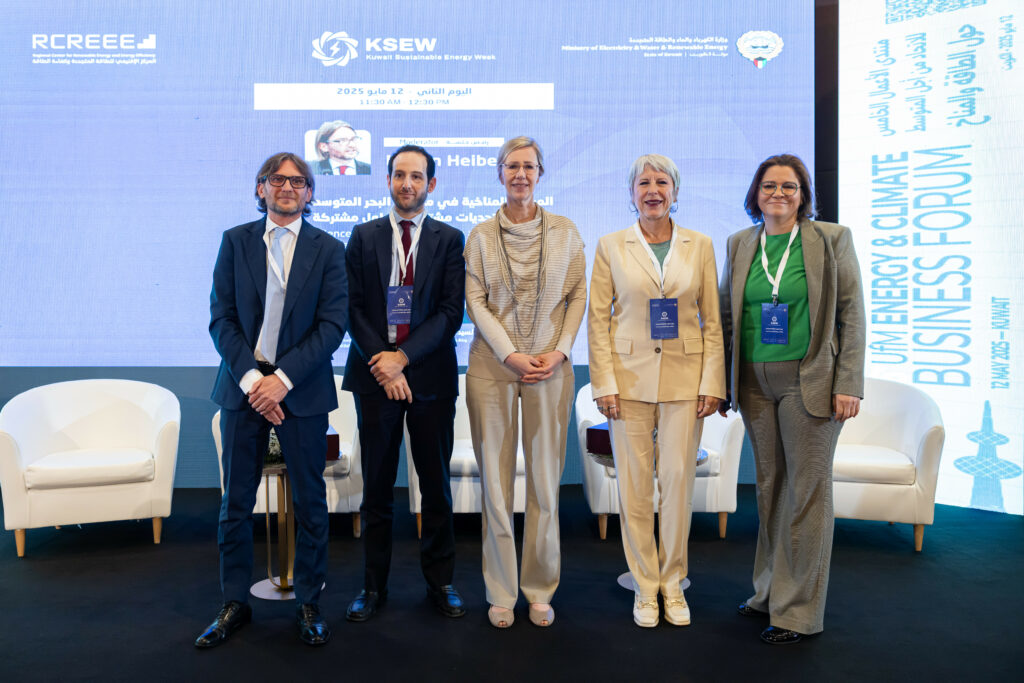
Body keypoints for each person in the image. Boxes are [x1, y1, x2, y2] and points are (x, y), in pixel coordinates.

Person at [199, 152, 348, 648]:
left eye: (298, 181)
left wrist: (281, 379)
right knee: (235, 503)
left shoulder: (329, 249)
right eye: (277, 179)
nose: (287, 187)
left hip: (300, 391)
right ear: (260, 187)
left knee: (310, 503)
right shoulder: (235, 242)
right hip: (243, 391)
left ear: (310, 193)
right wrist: (253, 382)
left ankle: (309, 602)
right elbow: (222, 320)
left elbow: (332, 326)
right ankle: (234, 602)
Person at [719, 153, 865, 645]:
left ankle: (797, 612)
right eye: (768, 186)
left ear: (804, 194)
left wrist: (848, 382)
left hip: (811, 381)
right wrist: (723, 382)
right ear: (754, 194)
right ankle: (767, 592)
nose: (778, 194)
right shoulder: (741, 244)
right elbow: (726, 317)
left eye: (789, 186)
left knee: (807, 493)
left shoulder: (831, 239)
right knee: (769, 488)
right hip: (755, 385)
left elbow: (853, 316)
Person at [587, 153, 725, 628]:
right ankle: (645, 586)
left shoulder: (700, 244)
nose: (653, 190)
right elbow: (598, 322)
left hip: (687, 384)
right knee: (635, 489)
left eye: (661, 182)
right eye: (643, 182)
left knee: (678, 484)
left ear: (675, 191)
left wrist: (713, 383)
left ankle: (673, 582)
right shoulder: (610, 245)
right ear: (631, 194)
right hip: (627, 384)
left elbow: (712, 321)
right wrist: (603, 383)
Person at [464, 136, 586, 629]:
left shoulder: (565, 232)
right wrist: (511, 354)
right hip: (492, 368)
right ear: (499, 173)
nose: (520, 174)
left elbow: (577, 295)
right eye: (511, 166)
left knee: (543, 482)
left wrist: (557, 352)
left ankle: (539, 587)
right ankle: (500, 588)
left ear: (541, 173)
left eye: (529, 166)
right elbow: (476, 301)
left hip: (550, 369)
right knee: (495, 484)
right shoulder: (478, 235)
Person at [343, 144, 466, 621]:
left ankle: (442, 583)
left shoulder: (449, 239)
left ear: (431, 184)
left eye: (417, 176)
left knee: (435, 488)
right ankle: (372, 589)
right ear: (388, 180)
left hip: (430, 379)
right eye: (399, 175)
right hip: (376, 380)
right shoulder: (362, 235)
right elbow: (352, 308)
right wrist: (383, 361)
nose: (407, 184)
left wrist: (403, 359)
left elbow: (449, 314)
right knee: (375, 489)